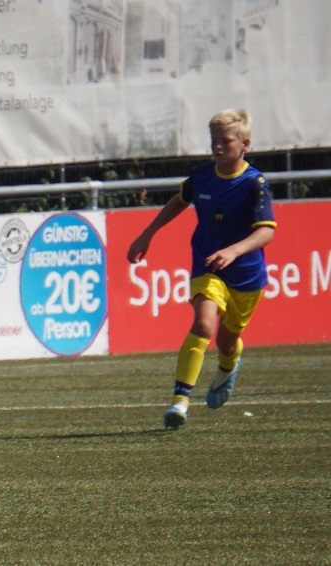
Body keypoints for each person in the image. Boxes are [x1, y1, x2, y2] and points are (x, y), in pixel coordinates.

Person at [126, 109, 276, 430]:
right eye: (214, 141)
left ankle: (228, 365)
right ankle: (180, 402)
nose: (218, 147)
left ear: (245, 145)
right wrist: (147, 234)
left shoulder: (255, 183)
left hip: (247, 275)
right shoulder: (202, 176)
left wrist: (234, 250)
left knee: (227, 341)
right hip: (207, 265)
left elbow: (266, 231)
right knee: (203, 324)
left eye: (226, 141)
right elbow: (179, 201)